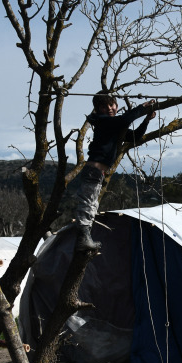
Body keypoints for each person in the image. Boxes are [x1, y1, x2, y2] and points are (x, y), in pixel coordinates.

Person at [72, 93, 157, 251]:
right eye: (105, 106)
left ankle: (84, 238)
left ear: (117, 106)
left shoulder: (113, 125)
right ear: (98, 110)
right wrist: (141, 108)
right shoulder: (104, 121)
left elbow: (134, 136)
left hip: (97, 172)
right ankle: (83, 238)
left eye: (112, 105)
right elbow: (124, 119)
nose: (110, 108)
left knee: (91, 204)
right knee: (88, 204)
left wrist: (146, 120)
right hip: (93, 170)